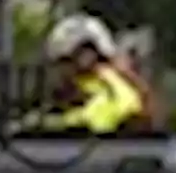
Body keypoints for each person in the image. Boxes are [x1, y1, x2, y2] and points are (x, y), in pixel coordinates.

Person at [16, 13, 146, 135]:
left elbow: (94, 120)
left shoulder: (109, 84)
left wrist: (47, 123)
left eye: (64, 61)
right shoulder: (81, 88)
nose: (59, 71)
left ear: (85, 57)